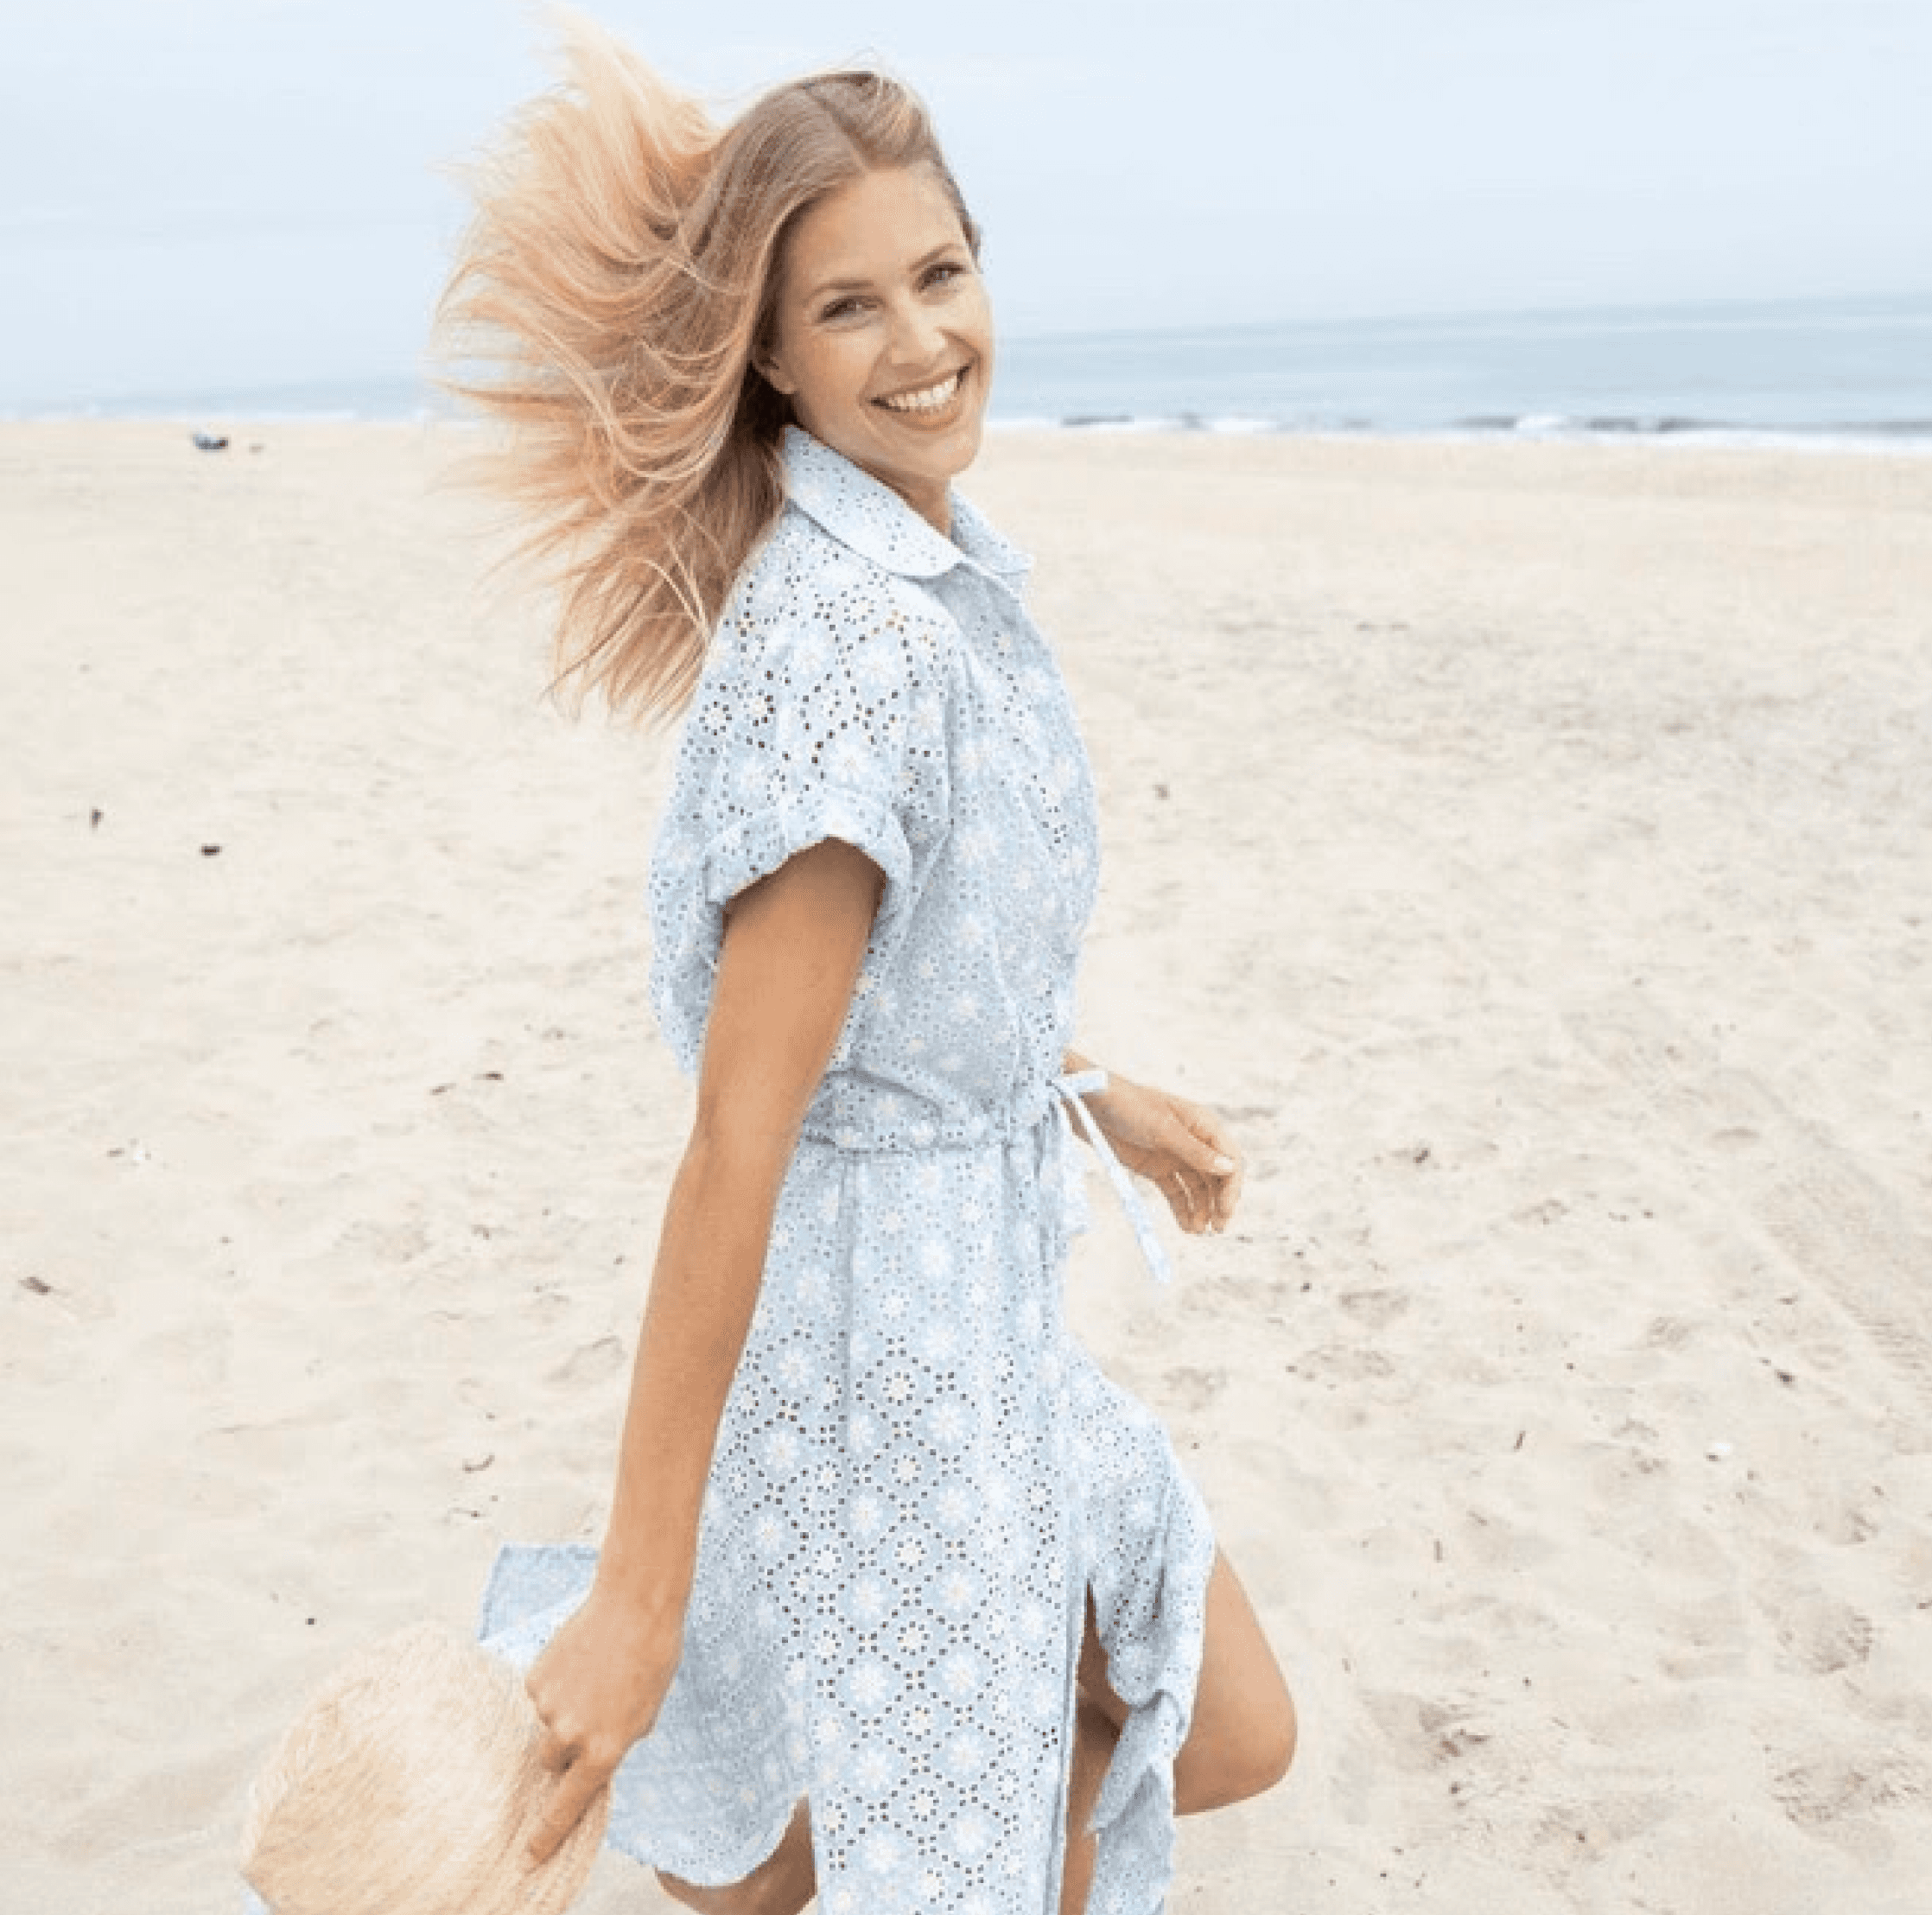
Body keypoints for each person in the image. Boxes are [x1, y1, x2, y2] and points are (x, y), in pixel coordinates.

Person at [438, 22, 1295, 1915]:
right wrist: (636, 1594)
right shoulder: (851, 648)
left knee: (1212, 1727)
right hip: (881, 1382)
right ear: (770, 352)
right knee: (994, 1817)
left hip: (978, 1324)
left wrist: (1090, 1091)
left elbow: (905, 986)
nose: (921, 340)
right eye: (848, 306)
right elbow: (737, 1139)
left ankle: (767, 1859)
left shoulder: (931, 576)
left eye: (940, 273)